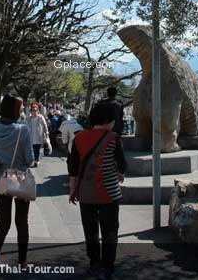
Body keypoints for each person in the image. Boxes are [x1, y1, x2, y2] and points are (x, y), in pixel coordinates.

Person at [68, 102, 127, 280]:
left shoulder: (78, 137)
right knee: (110, 230)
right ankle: (108, 267)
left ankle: (94, 263)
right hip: (109, 194)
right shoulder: (113, 138)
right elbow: (123, 164)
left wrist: (73, 190)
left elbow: (73, 167)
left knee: (90, 229)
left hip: (86, 194)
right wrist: (119, 172)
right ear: (109, 121)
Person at [0, 94, 34, 268]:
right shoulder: (23, 130)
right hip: (19, 179)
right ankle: (22, 260)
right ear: (14, 110)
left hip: (0, 180)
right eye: (19, 108)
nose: (21, 112)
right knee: (22, 222)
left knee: (3, 223)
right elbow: (29, 159)